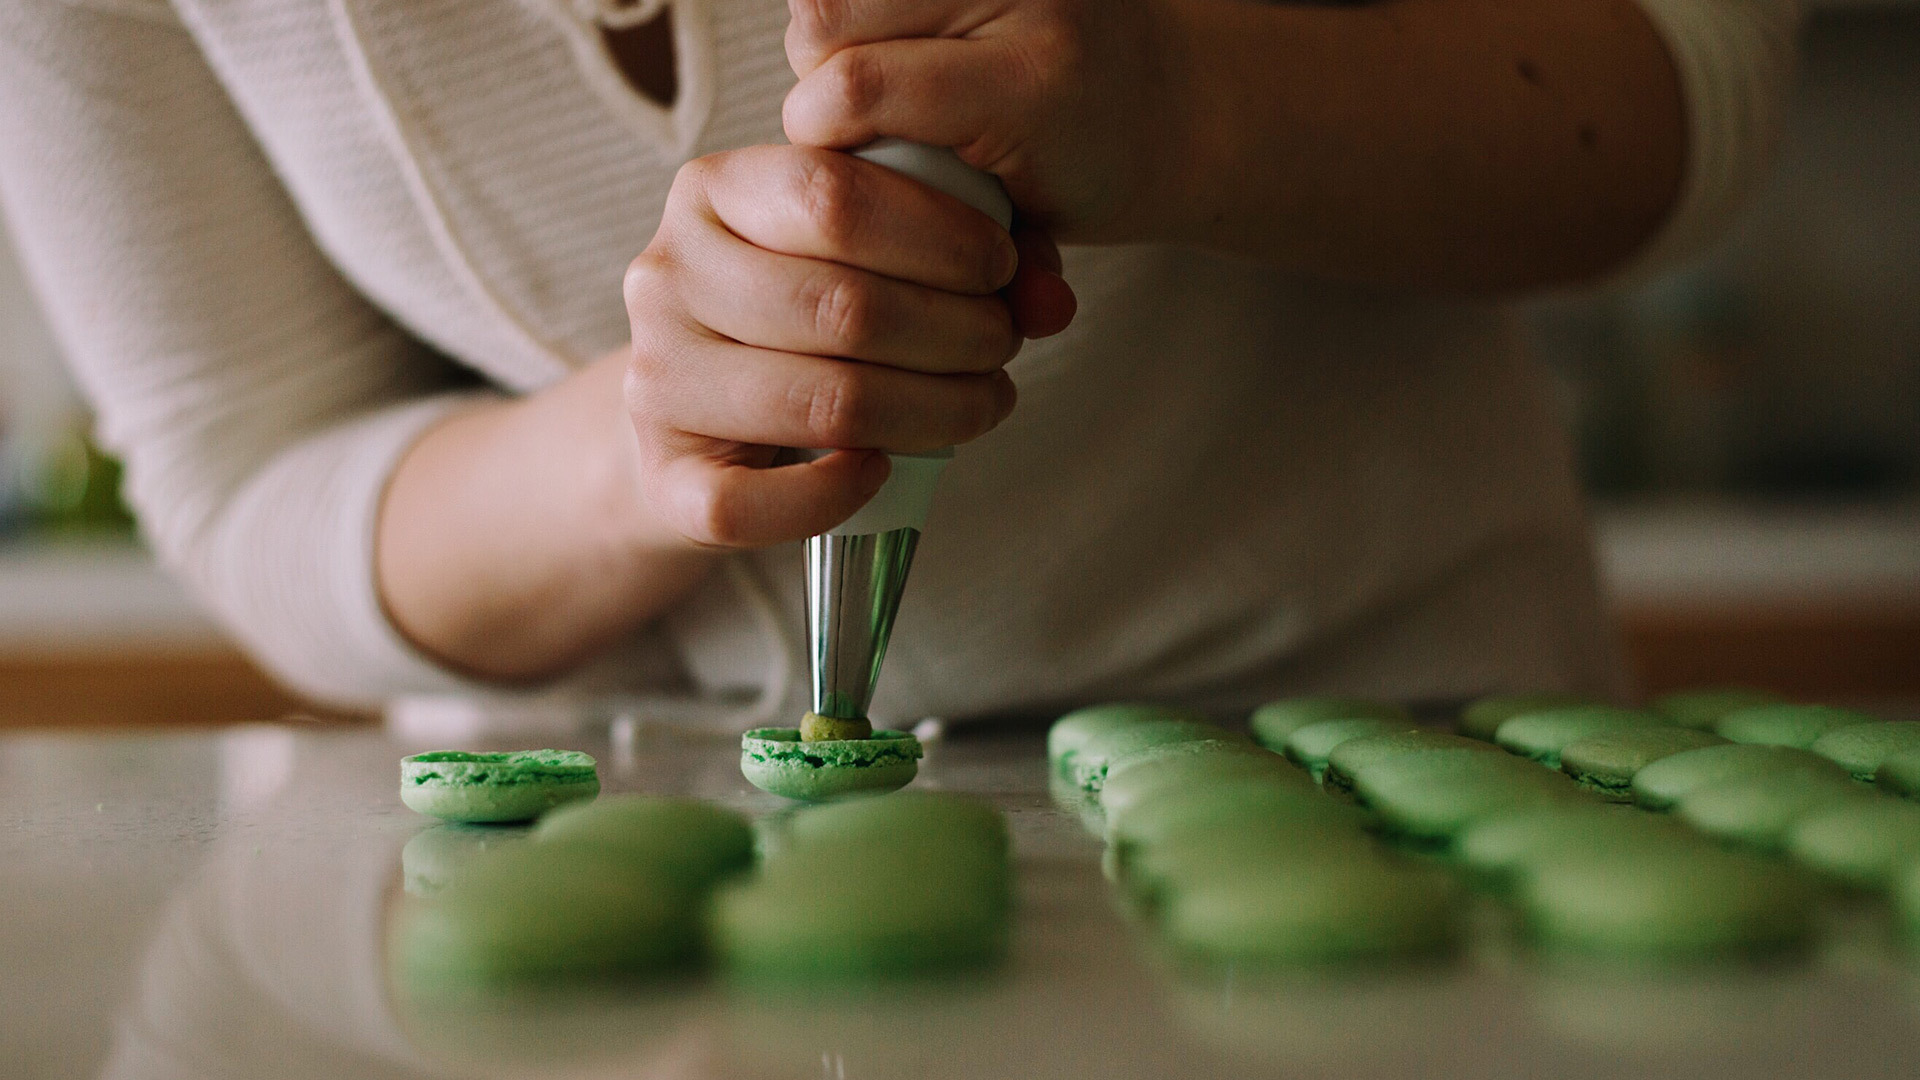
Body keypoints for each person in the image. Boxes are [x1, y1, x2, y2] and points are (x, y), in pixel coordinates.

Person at [0, 0, 1799, 725]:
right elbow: (249, 474)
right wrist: (653, 442)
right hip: (591, 918)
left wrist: (1185, 109)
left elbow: (1685, 77)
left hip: (1381, 775)